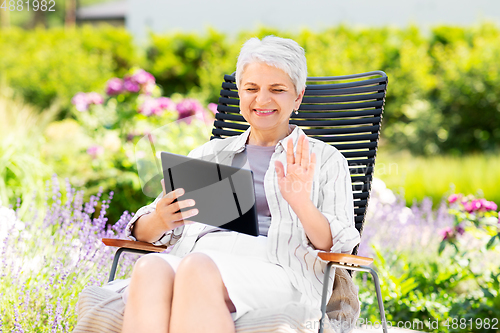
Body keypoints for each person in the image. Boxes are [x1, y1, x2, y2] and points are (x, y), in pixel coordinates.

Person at [121, 36, 360, 333]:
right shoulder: (209, 154)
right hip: (199, 258)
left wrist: (300, 202)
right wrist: (159, 218)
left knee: (197, 268)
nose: (261, 100)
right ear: (239, 92)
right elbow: (146, 232)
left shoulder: (324, 159)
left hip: (280, 269)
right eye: (251, 88)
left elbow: (339, 247)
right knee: (151, 268)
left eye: (277, 89)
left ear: (298, 97)